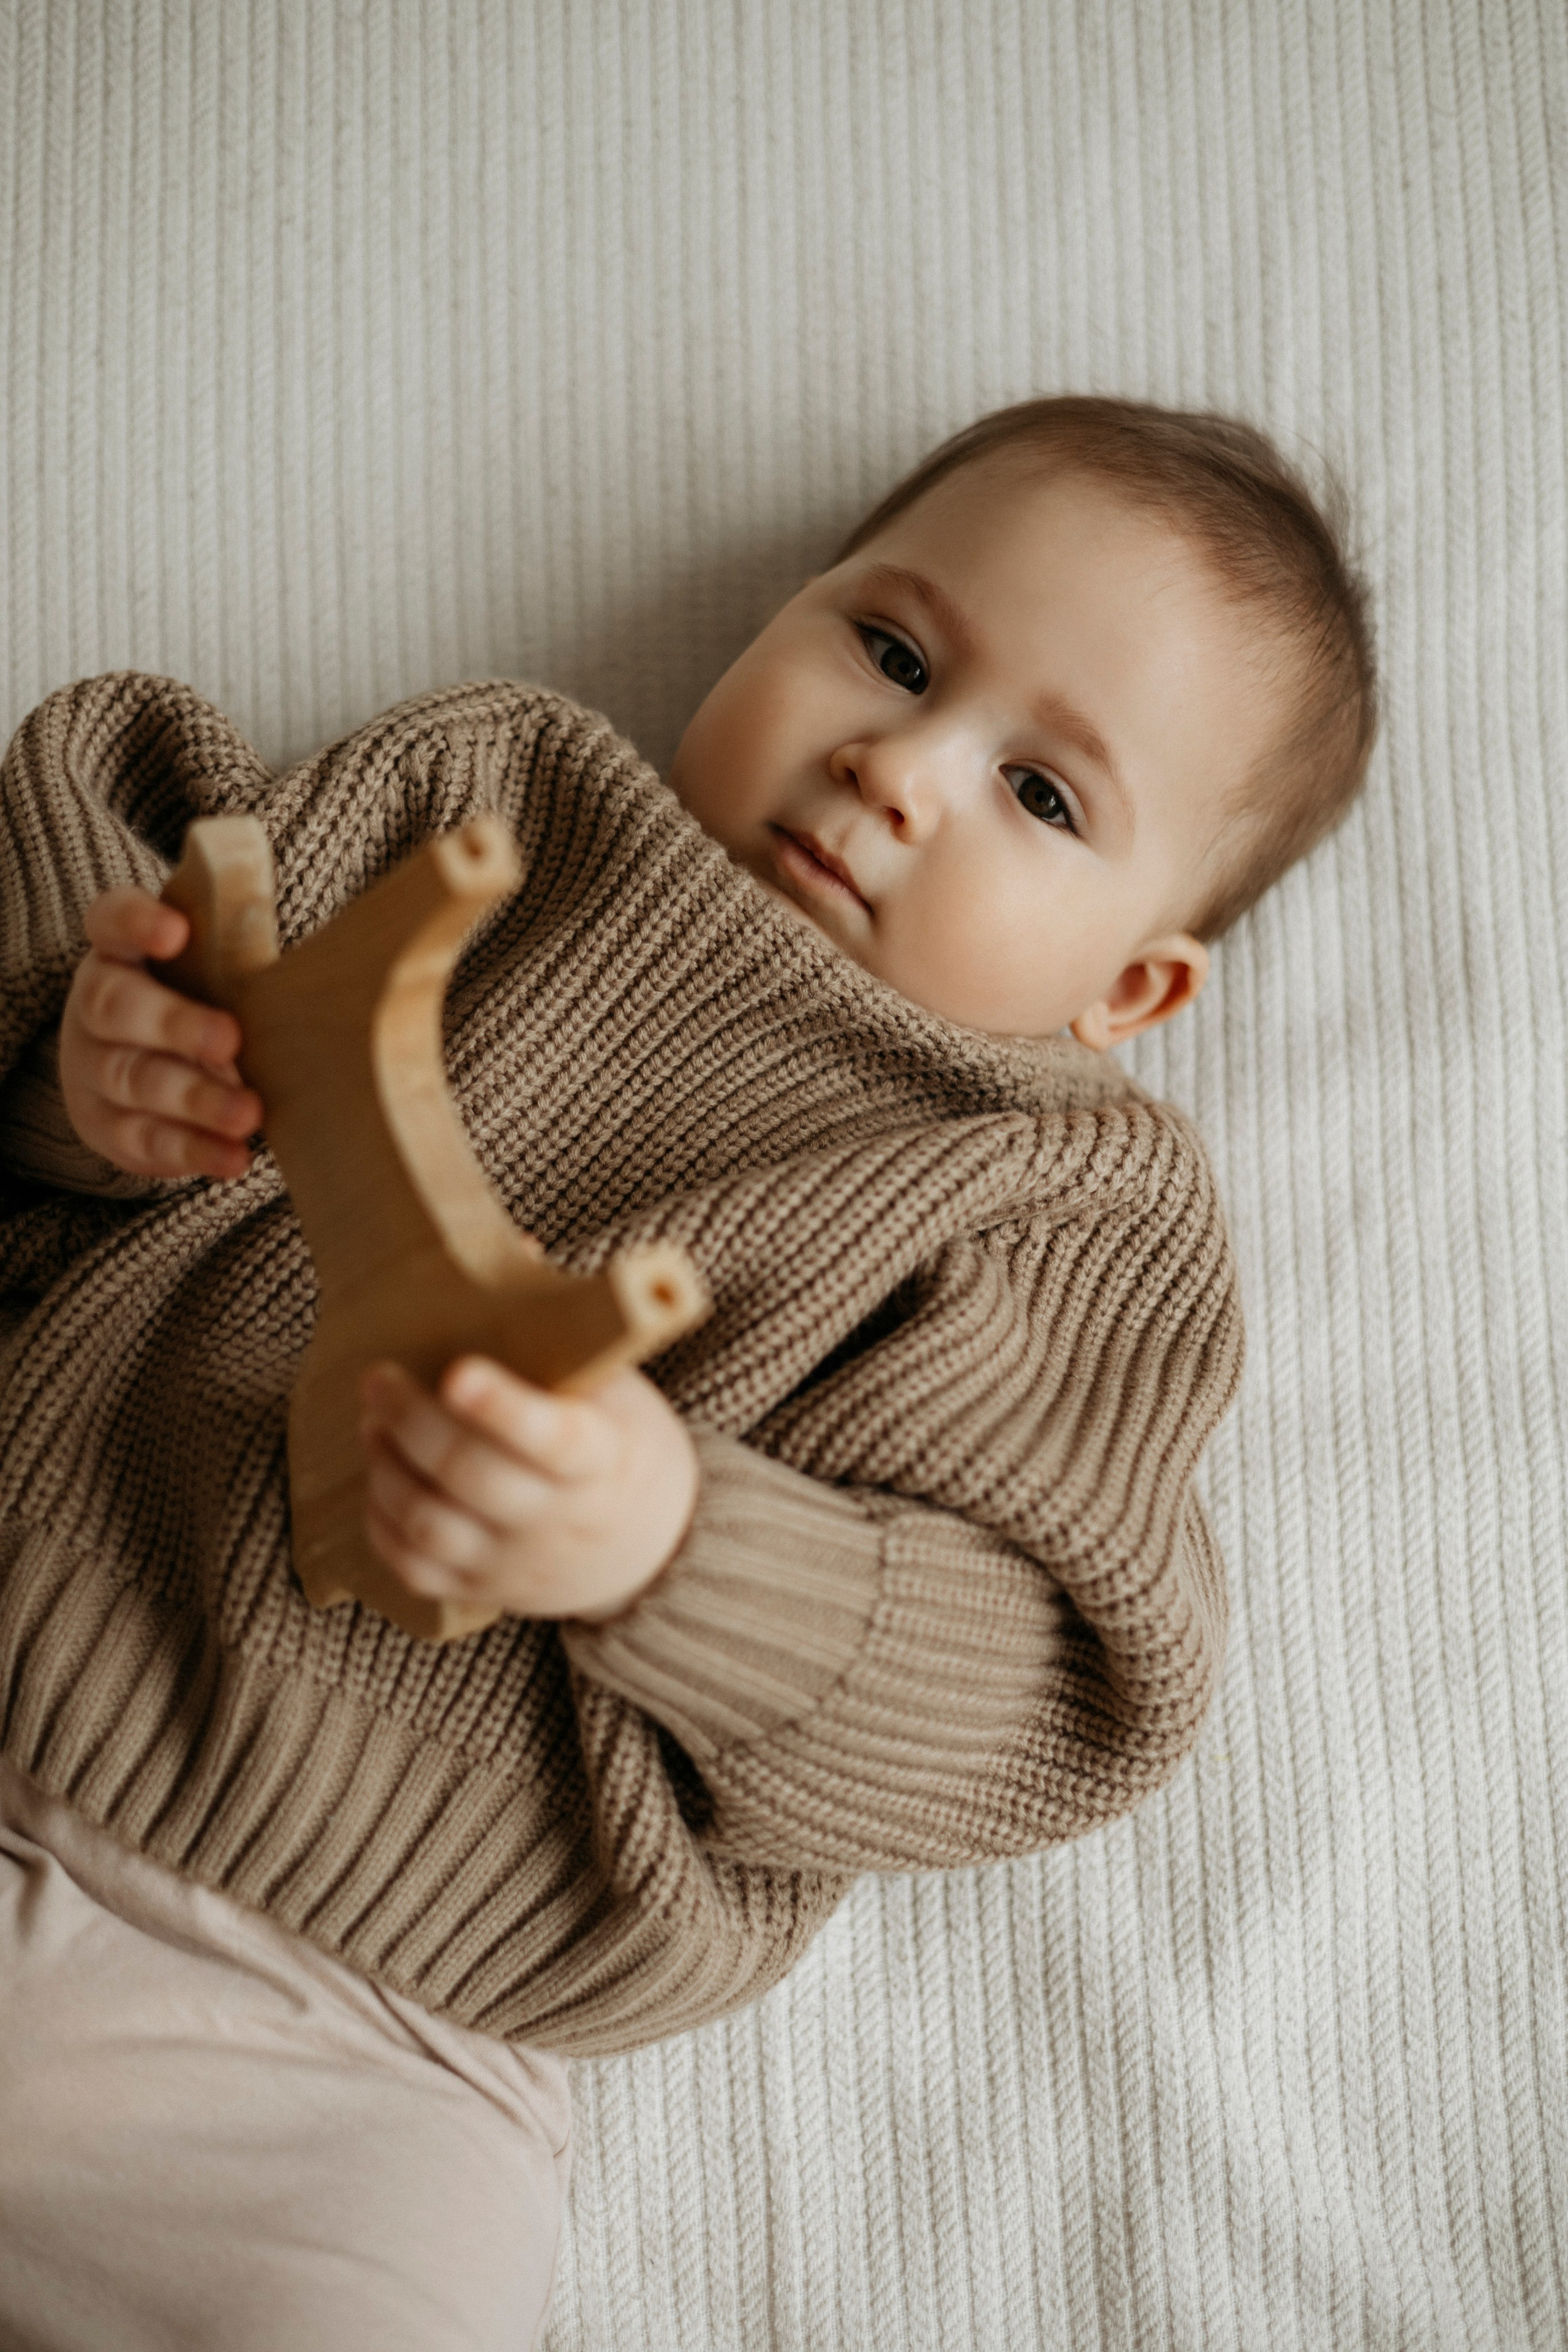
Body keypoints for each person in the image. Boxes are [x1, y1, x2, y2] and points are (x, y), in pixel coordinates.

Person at [0, 396, 1376, 2349]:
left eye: (1043, 798)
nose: (898, 767)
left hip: (374, 2056)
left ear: (1133, 987)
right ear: (784, 612)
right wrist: (86, 1064)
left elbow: (1047, 1680)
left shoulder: (1049, 1198)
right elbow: (117, 822)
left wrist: (679, 1548)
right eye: (891, 652)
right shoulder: (509, 803)